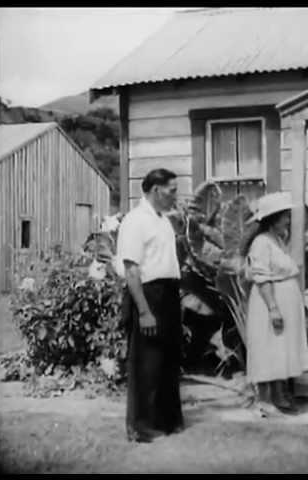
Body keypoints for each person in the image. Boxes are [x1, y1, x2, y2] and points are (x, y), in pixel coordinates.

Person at [117, 168, 184, 442]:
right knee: (146, 363)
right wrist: (144, 311)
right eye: (172, 190)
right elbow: (131, 269)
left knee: (167, 360)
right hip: (148, 294)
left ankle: (165, 420)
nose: (175, 196)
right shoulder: (136, 221)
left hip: (167, 294)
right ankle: (141, 426)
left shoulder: (162, 220)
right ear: (156, 190)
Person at [243, 192, 308, 415]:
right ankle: (267, 400)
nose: (289, 220)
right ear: (274, 218)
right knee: (268, 348)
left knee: (280, 349)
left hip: (283, 298)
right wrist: (273, 308)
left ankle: (279, 396)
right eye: (285, 216)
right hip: (268, 302)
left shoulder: (277, 240)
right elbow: (262, 277)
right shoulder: (261, 243)